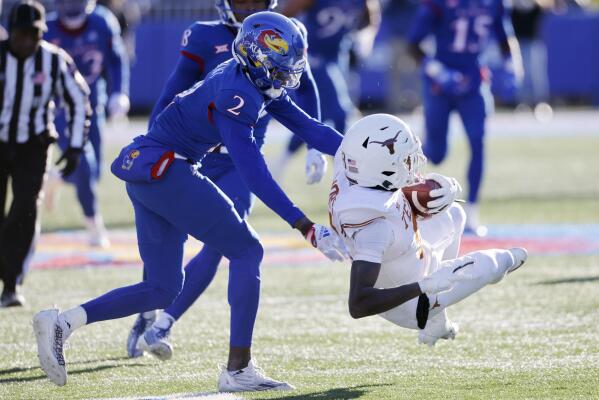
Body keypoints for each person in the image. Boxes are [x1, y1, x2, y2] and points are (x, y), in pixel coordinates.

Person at [33, 11, 347, 391]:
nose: (288, 76)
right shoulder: (237, 92)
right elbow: (252, 171)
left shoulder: (246, 76)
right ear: (258, 57)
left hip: (150, 168)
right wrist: (305, 225)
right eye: (281, 66)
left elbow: (310, 127)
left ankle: (62, 323)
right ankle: (238, 369)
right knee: (247, 251)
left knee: (163, 288)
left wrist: (361, 149)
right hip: (168, 169)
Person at [126, 0, 326, 365]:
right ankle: (150, 310)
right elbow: (174, 89)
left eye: (255, 1)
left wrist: (318, 145)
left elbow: (306, 89)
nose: (247, 6)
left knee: (229, 243)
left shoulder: (285, 35)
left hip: (240, 159)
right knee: (167, 238)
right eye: (241, 0)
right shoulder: (206, 37)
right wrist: (154, 147)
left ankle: (165, 322)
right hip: (195, 154)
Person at [328, 114, 528, 344]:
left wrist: (437, 194)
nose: (412, 164)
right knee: (494, 264)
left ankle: (438, 317)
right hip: (409, 303)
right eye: (405, 160)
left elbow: (387, 193)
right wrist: (423, 285)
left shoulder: (352, 172)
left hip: (412, 256)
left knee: (453, 213)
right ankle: (435, 304)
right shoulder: (374, 229)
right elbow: (359, 304)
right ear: (382, 169)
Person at [0, 0, 90, 308]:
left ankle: (10, 284)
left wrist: (76, 145)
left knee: (25, 211)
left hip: (34, 146)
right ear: (10, 32)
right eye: (22, 34)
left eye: (34, 34)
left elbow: (79, 99)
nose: (28, 41)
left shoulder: (53, 60)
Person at [407, 0, 522, 236]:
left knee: (477, 142)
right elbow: (413, 45)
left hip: (473, 80)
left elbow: (504, 37)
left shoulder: (494, 3)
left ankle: (472, 211)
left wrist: (512, 67)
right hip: (440, 83)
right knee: (436, 155)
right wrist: (439, 72)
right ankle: (409, 204)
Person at [44, 0, 130, 247]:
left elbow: (116, 59)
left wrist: (119, 92)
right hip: (62, 107)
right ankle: (94, 224)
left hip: (94, 103)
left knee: (93, 173)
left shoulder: (102, 21)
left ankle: (58, 176)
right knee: (83, 160)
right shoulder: (48, 28)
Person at [272, 0, 381, 178]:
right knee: (340, 113)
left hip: (339, 59)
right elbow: (283, 16)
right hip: (313, 58)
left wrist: (364, 39)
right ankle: (347, 173)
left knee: (315, 117)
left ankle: (281, 164)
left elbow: (371, 20)